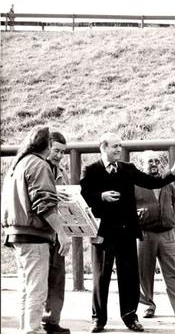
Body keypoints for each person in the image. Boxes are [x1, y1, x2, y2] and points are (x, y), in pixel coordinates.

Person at [80, 133, 175, 333]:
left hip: (127, 231)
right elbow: (83, 196)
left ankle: (130, 317)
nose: (118, 149)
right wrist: (100, 196)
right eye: (114, 146)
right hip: (103, 232)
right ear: (103, 148)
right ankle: (98, 319)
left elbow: (151, 182)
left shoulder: (128, 169)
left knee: (129, 277)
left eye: (120, 146)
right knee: (101, 277)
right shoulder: (91, 170)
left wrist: (173, 171)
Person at [1, 126, 71, 334]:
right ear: (47, 145)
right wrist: (62, 232)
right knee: (36, 290)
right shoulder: (39, 165)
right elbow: (44, 203)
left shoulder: (19, 163)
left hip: (17, 232)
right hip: (35, 235)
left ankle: (27, 328)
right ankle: (32, 330)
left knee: (26, 288)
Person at [135, 151, 175, 319]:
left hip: (166, 233)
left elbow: (172, 204)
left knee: (173, 271)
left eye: (157, 161)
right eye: (150, 161)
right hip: (144, 234)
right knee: (144, 272)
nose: (154, 164)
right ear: (142, 164)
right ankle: (147, 306)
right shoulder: (135, 184)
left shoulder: (168, 184)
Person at [41, 132, 71, 334]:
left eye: (63, 152)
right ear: (47, 147)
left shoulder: (62, 171)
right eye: (56, 150)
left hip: (58, 231)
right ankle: (37, 321)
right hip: (40, 231)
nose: (59, 155)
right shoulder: (37, 167)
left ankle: (53, 320)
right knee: (39, 279)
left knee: (58, 277)